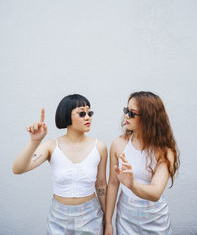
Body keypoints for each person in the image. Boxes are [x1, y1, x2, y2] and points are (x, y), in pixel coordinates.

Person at [13, 94, 107, 235]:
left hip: (91, 216)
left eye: (89, 112)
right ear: (66, 116)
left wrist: (107, 220)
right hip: (58, 218)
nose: (88, 117)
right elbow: (18, 169)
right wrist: (35, 141)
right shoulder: (51, 146)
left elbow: (101, 185)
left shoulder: (99, 147)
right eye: (82, 113)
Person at [105, 91, 180, 235]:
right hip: (125, 215)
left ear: (148, 118)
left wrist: (132, 184)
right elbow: (113, 184)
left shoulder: (165, 151)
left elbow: (155, 192)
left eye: (132, 113)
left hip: (154, 217)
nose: (127, 116)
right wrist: (108, 222)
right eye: (127, 110)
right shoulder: (118, 144)